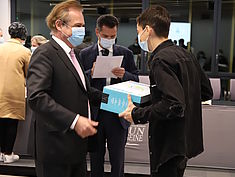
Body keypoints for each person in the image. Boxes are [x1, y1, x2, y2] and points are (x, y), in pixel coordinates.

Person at [119, 6, 213, 177]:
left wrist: (137, 114)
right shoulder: (186, 55)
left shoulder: (160, 60)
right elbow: (206, 92)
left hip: (168, 146)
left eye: (139, 31)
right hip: (184, 143)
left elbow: (174, 104)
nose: (139, 37)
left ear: (148, 30)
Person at [26, 1, 102, 177]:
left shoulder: (74, 55)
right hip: (55, 148)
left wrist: (117, 99)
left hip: (76, 147)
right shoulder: (45, 54)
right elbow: (37, 97)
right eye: (77, 26)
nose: (82, 30)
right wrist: (75, 120)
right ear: (59, 25)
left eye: (83, 26)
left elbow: (87, 92)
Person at [79, 14, 139, 177]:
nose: (109, 39)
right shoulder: (85, 54)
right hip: (95, 112)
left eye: (113, 36)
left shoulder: (125, 53)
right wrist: (89, 73)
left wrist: (124, 75)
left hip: (117, 113)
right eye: (106, 36)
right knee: (95, 158)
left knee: (117, 160)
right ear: (97, 32)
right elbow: (78, 81)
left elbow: (136, 79)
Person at [0, 22, 31, 163]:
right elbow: (29, 72)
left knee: (1, 122)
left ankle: (0, 153)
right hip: (14, 91)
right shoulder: (25, 51)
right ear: (23, 35)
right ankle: (8, 153)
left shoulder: (0, 48)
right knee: (12, 122)